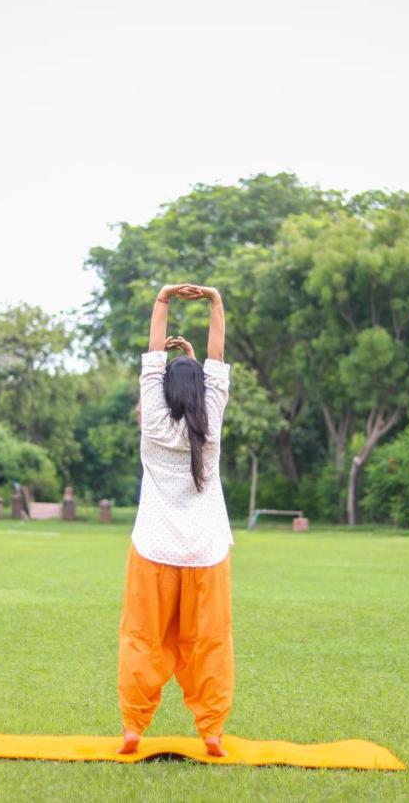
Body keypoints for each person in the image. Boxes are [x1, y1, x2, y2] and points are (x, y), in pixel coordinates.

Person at [117, 283, 232, 758]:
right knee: (209, 643)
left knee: (143, 639)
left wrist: (163, 299)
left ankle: (133, 728)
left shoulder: (154, 427)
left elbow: (151, 363)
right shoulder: (212, 424)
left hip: (153, 550)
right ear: (204, 393)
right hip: (205, 552)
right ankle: (211, 732)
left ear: (161, 393)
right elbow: (216, 363)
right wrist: (215, 301)